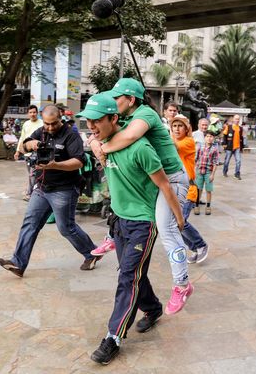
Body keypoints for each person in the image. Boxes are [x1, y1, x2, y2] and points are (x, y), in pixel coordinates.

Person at [77, 94, 183, 365]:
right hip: (120, 220)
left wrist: (180, 220)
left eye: (97, 121)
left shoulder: (141, 148)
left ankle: (113, 337)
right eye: (88, 121)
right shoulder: (103, 143)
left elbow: (165, 186)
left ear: (114, 118)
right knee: (133, 272)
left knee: (128, 276)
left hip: (142, 224)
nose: (91, 126)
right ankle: (152, 307)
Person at [89, 78, 193, 316]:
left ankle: (182, 285)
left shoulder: (145, 114)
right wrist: (95, 141)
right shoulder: (124, 116)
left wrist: (101, 148)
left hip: (172, 179)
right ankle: (113, 235)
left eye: (117, 98)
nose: (113, 102)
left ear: (131, 100)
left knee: (168, 230)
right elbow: (99, 132)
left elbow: (126, 138)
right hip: (154, 178)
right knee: (121, 189)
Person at [0, 106, 100, 277]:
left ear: (61, 119)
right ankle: (18, 263)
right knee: (30, 223)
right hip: (42, 187)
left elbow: (79, 162)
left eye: (54, 123)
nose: (50, 127)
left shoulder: (70, 135)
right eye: (46, 124)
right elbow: (23, 148)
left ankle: (92, 252)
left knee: (66, 228)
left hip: (64, 189)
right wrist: (31, 144)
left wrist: (56, 165)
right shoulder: (41, 132)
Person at [171, 115, 210, 263]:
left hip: (189, 189)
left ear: (187, 128)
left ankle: (201, 245)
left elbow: (172, 146)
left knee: (181, 221)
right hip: (175, 189)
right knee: (174, 225)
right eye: (174, 126)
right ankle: (194, 247)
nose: (177, 129)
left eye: (180, 126)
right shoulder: (173, 139)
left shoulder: (188, 142)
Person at [16, 105, 44, 200]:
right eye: (30, 112)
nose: (32, 114)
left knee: (33, 174)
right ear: (28, 113)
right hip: (27, 154)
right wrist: (18, 151)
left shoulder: (42, 123)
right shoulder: (26, 124)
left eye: (34, 112)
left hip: (37, 153)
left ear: (37, 113)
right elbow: (22, 138)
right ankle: (32, 191)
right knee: (31, 174)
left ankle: (31, 193)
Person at [195, 130, 219, 215]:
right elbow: (196, 159)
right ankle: (196, 205)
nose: (209, 138)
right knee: (198, 189)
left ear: (213, 138)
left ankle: (208, 206)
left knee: (208, 190)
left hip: (208, 172)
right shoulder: (199, 146)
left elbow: (216, 162)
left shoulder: (215, 149)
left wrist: (213, 174)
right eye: (207, 136)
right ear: (204, 138)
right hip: (199, 171)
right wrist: (195, 171)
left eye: (211, 137)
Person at [222, 114, 243, 179]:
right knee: (227, 161)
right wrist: (224, 144)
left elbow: (241, 138)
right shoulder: (229, 127)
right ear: (233, 119)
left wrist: (242, 147)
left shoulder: (240, 128)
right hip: (229, 147)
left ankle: (237, 174)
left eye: (238, 119)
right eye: (236, 119)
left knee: (238, 161)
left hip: (237, 147)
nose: (237, 120)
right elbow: (224, 136)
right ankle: (225, 172)